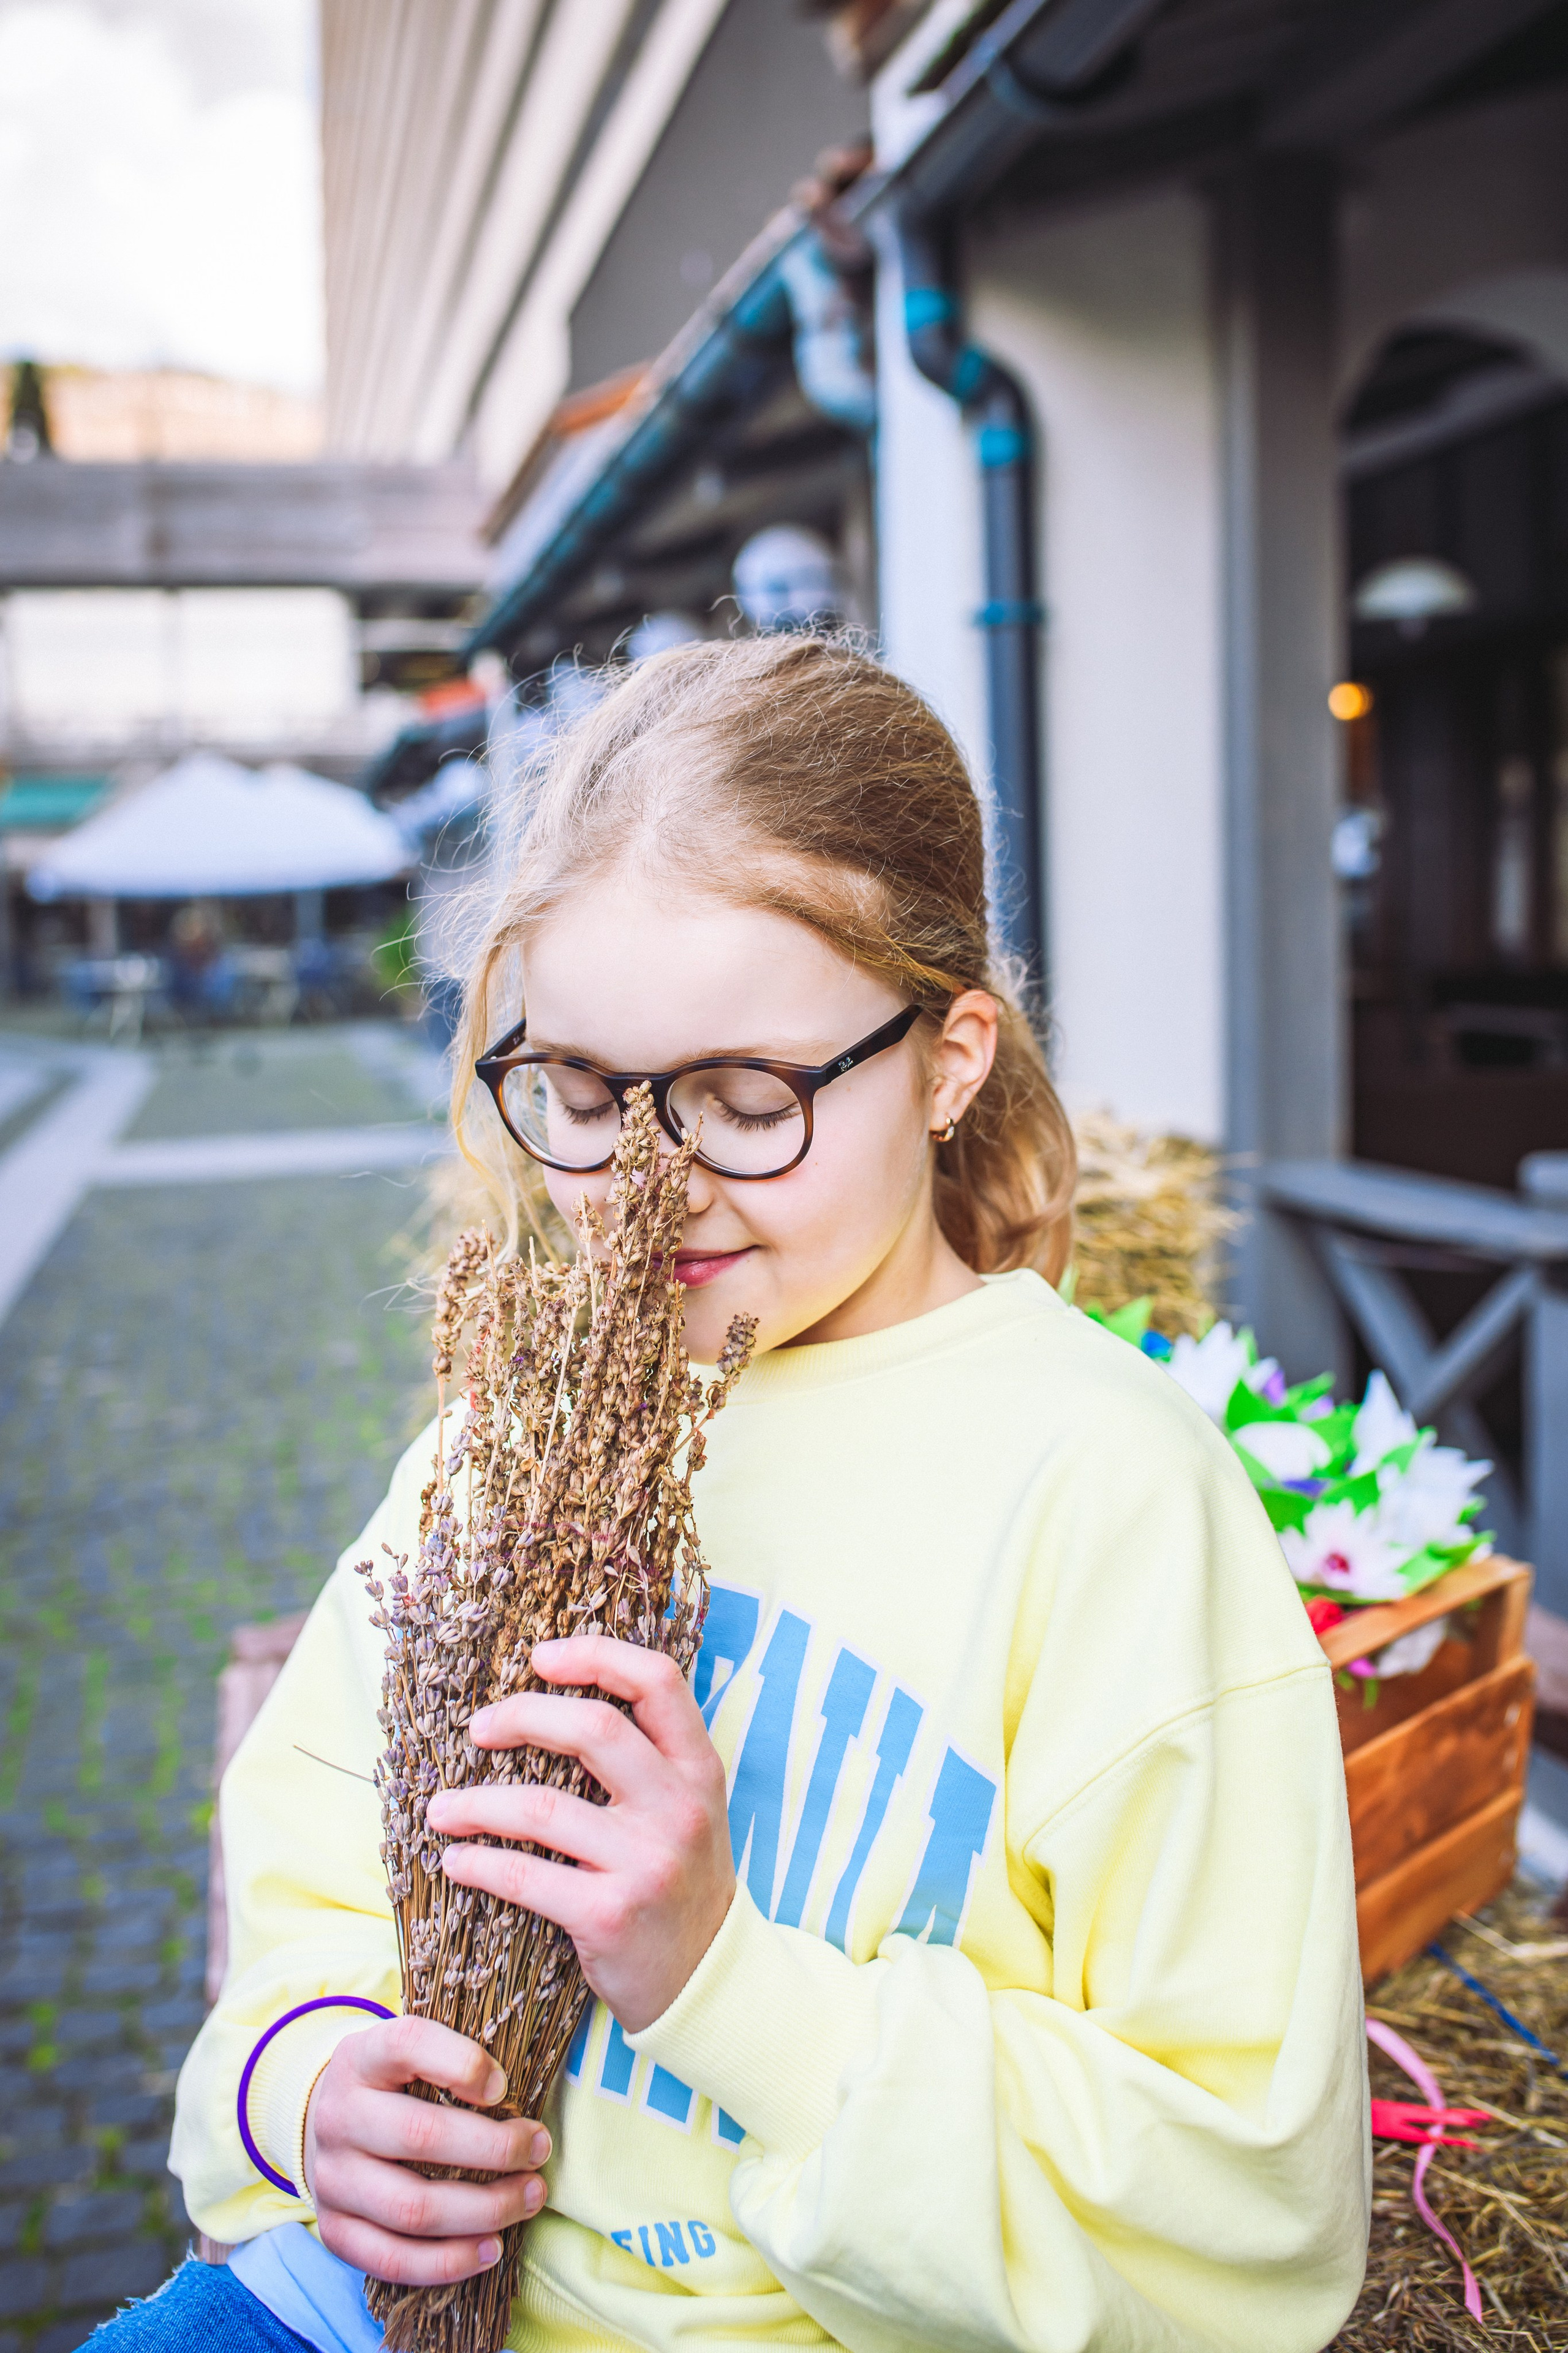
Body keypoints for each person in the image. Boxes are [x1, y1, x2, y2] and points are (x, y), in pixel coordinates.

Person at [100, 637, 1369, 2353]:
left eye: (747, 1097)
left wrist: (726, 1981)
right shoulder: (512, 1437)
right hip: (358, 2305)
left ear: (949, 1057)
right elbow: (312, 1859)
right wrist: (312, 2085)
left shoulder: (1113, 1496)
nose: (643, 1183)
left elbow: (1248, 2220)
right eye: (579, 1091)